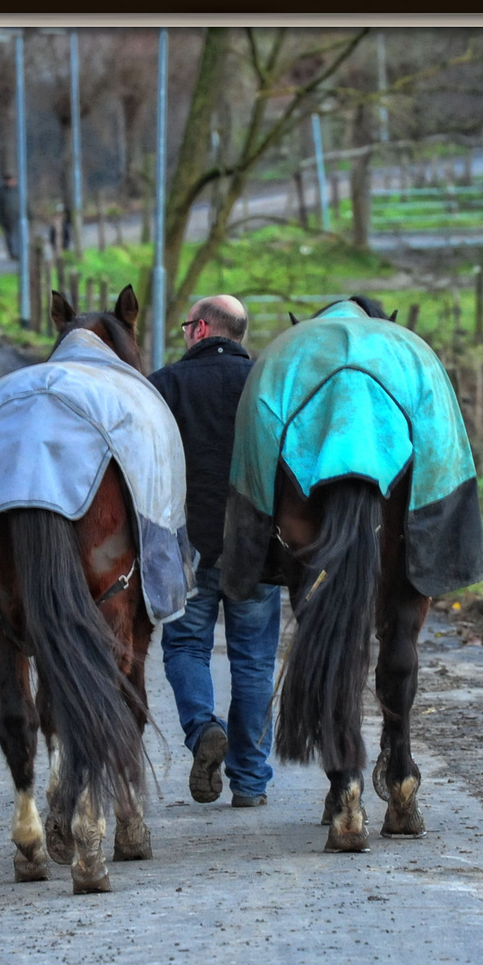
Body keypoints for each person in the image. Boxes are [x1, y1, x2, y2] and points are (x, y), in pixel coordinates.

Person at [147, 296, 282, 808]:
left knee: (185, 648)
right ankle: (249, 780)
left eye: (187, 325)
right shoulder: (266, 385)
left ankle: (203, 729)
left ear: (201, 328)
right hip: (256, 547)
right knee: (253, 661)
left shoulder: (165, 386)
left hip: (188, 546)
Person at [0, 173, 21, 260]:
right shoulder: (1, 192)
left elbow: (25, 203)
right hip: (6, 218)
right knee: (9, 236)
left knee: (18, 235)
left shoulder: (18, 191)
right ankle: (12, 253)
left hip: (18, 217)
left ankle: (18, 252)